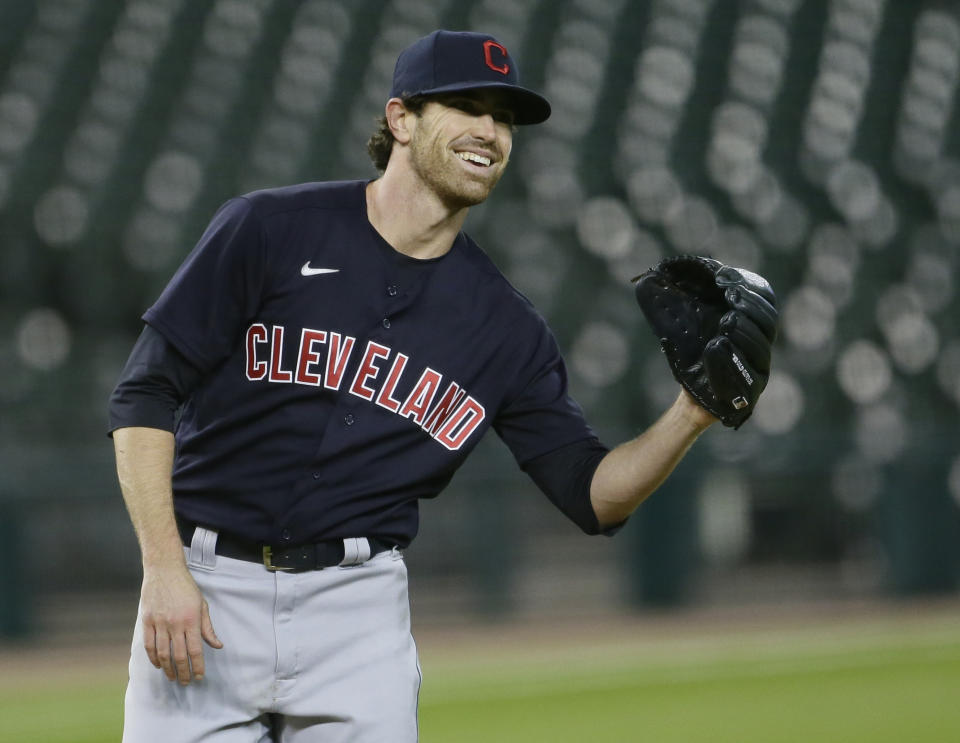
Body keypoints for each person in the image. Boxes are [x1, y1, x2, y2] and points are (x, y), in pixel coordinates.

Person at [109, 29, 717, 742]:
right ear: (401, 119)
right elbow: (144, 391)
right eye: (467, 104)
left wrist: (692, 411)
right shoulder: (268, 230)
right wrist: (163, 569)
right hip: (208, 584)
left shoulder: (505, 326)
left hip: (356, 610)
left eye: (504, 117)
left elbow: (592, 494)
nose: (489, 131)